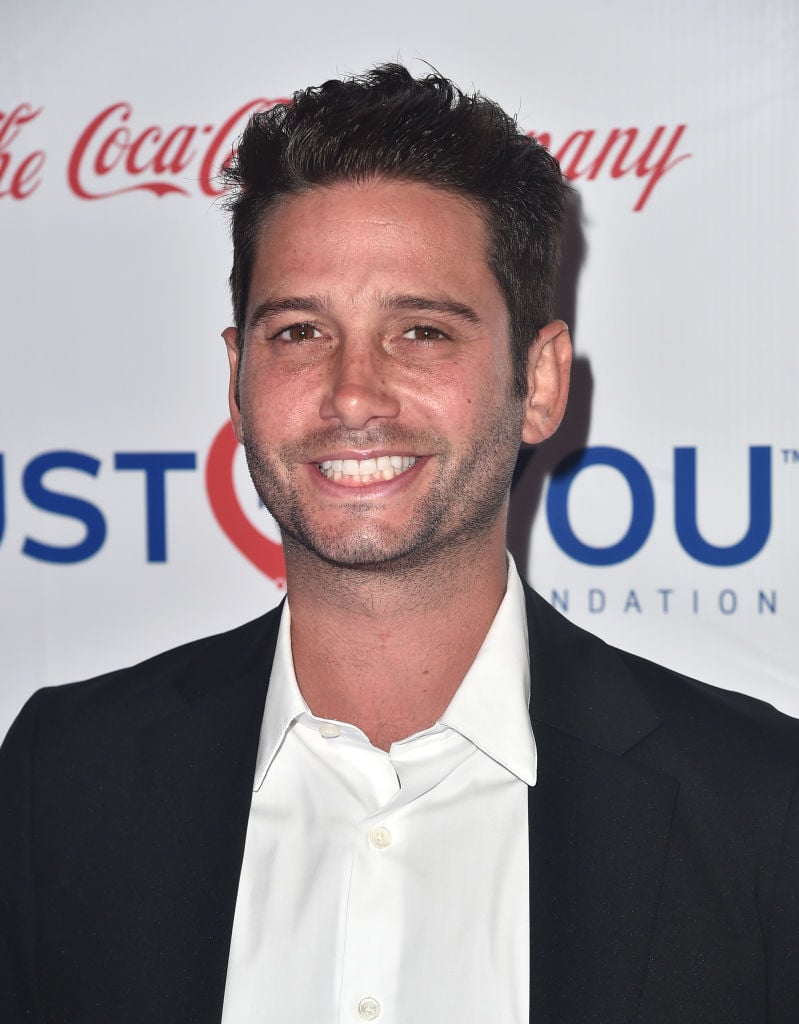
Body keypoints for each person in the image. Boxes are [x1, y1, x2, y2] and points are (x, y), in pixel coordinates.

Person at [1, 64, 797, 1024]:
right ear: (237, 378)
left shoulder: (761, 804)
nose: (352, 395)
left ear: (540, 381)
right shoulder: (61, 776)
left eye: (420, 331)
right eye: (299, 332)